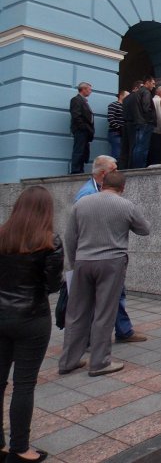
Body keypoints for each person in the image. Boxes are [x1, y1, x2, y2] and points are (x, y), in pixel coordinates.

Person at [59, 171, 151, 377]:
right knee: (104, 313)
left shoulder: (81, 204)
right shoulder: (126, 205)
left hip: (83, 261)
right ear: (123, 187)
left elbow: (69, 236)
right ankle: (99, 362)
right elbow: (145, 229)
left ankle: (67, 361)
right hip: (112, 263)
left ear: (102, 184)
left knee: (76, 313)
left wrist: (74, 262)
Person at [0, 187, 64, 463]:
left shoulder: (2, 236)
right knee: (24, 385)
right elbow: (51, 285)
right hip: (32, 318)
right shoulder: (50, 241)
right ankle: (21, 448)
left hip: (0, 315)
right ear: (46, 210)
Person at [69, 81, 94, 174]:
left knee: (83, 151)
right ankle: (76, 171)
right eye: (89, 89)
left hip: (85, 131)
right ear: (83, 89)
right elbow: (76, 116)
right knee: (79, 150)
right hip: (81, 130)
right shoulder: (76, 100)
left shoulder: (83, 100)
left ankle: (80, 169)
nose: (90, 92)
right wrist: (84, 127)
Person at [107, 89, 127, 161]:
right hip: (115, 133)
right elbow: (110, 118)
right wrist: (119, 128)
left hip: (122, 133)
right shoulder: (113, 105)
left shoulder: (126, 107)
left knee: (121, 154)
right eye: (127, 96)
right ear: (121, 96)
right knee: (117, 154)